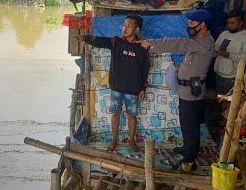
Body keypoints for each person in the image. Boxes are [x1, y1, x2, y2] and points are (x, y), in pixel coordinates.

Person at [137, 9, 215, 173]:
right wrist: (180, 68)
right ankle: (188, 147)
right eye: (189, 23)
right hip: (186, 89)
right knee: (186, 122)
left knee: (190, 124)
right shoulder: (198, 39)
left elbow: (180, 44)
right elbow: (192, 61)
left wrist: (152, 44)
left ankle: (190, 157)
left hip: (192, 91)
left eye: (193, 23)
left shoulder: (206, 41)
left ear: (203, 24)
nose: (190, 25)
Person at [78, 15, 150, 152]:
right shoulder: (115, 42)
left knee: (131, 116)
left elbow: (145, 68)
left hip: (133, 89)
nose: (125, 28)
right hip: (116, 87)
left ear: (137, 29)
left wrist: (143, 88)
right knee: (115, 114)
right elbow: (100, 41)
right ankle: (114, 140)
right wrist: (85, 38)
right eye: (124, 25)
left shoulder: (142, 47)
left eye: (129, 26)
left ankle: (131, 141)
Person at [214, 10, 246, 97]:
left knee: (228, 100)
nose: (229, 25)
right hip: (219, 72)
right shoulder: (224, 34)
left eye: (232, 23)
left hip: (232, 76)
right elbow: (215, 47)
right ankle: (219, 109)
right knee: (219, 98)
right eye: (228, 23)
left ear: (241, 23)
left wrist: (230, 55)